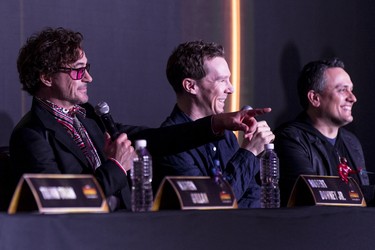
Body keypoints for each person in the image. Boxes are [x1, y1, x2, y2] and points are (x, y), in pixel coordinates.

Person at [10, 27, 269, 211]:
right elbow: (61, 201)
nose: (88, 78)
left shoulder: (88, 117)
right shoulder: (32, 134)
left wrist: (219, 122)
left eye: (87, 69)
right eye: (78, 72)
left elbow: (157, 139)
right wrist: (116, 167)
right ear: (46, 78)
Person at [154, 40, 275, 208]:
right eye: (221, 80)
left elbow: (254, 196)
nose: (231, 89)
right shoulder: (169, 143)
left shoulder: (225, 135)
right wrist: (250, 152)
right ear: (190, 86)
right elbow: (211, 203)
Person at [274, 58, 374, 206]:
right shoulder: (289, 139)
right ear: (315, 98)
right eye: (342, 90)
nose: (353, 98)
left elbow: (364, 200)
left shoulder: (351, 142)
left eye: (351, 90)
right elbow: (313, 195)